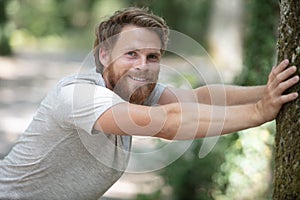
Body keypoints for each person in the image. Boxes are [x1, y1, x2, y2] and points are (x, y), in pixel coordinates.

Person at [0, 7, 299, 200]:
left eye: (152, 57)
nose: (143, 66)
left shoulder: (134, 90)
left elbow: (200, 98)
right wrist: (260, 112)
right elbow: (166, 123)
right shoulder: (79, 96)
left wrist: (270, 91)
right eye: (131, 54)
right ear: (104, 55)